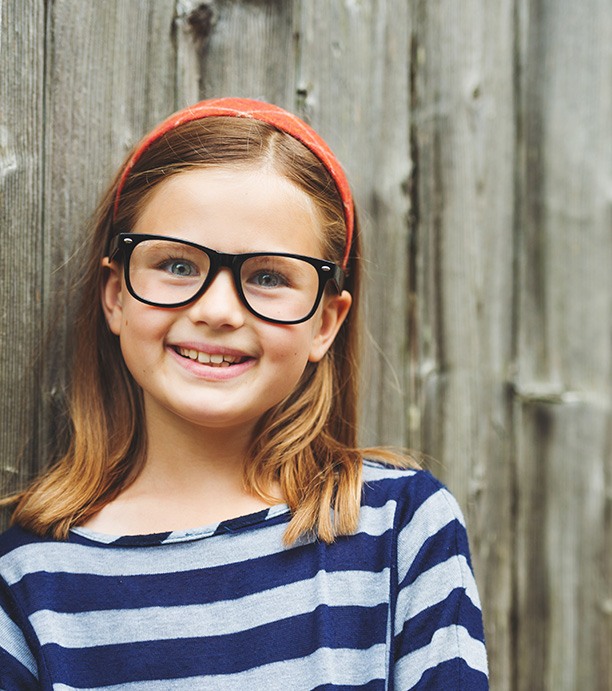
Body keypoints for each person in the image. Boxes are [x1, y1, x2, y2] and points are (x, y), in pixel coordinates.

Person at [0, 97, 488, 690]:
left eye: (268, 276)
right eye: (177, 265)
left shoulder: (400, 528)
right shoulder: (27, 576)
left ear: (326, 323)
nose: (218, 311)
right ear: (115, 296)